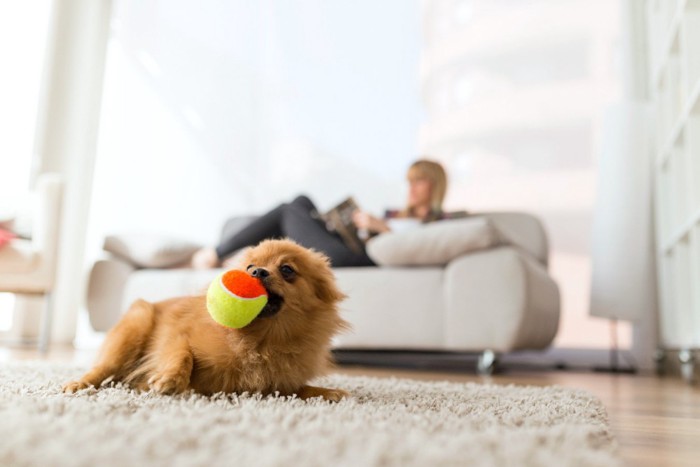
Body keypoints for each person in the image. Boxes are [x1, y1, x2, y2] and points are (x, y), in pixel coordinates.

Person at [191, 159, 449, 269]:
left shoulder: (436, 223)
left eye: (420, 181)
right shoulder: (395, 214)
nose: (412, 188)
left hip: (352, 259)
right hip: (350, 247)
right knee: (302, 202)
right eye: (410, 181)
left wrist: (381, 228)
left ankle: (217, 253)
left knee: (287, 210)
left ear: (435, 185)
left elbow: (414, 248)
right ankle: (240, 258)